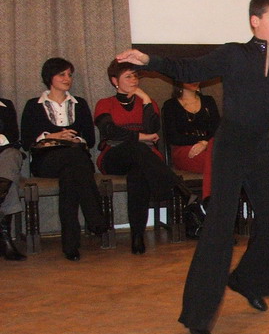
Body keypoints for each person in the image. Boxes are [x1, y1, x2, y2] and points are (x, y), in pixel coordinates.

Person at [115, 0, 269, 334]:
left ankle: (247, 281)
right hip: (229, 149)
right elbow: (188, 69)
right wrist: (149, 59)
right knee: (219, 228)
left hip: (260, 149)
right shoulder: (233, 54)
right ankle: (197, 315)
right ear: (255, 21)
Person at [94, 60, 200, 255]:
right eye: (128, 76)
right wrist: (140, 137)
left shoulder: (148, 102)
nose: (134, 80)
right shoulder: (104, 104)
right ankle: (177, 187)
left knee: (139, 174)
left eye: (135, 76)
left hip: (146, 159)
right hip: (114, 157)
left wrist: (144, 100)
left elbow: (152, 128)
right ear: (114, 81)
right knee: (137, 147)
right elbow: (109, 131)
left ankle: (137, 236)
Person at [21, 58, 105, 261]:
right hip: (46, 160)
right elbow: (26, 141)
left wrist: (75, 139)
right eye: (62, 74)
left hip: (76, 159)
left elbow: (90, 140)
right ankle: (95, 216)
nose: (68, 78)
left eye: (69, 74)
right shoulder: (33, 105)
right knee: (74, 158)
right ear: (49, 77)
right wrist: (54, 136)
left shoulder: (80, 104)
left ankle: (70, 245)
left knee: (70, 175)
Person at [161, 81, 220, 204]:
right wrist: (199, 142)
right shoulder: (170, 105)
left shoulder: (209, 101)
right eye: (189, 78)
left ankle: (215, 203)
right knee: (215, 161)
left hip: (210, 146)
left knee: (223, 158)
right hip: (184, 149)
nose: (194, 81)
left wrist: (205, 143)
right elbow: (173, 137)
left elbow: (218, 130)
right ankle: (210, 202)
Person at [0, 95, 25, 261]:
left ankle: (4, 237)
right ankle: (5, 238)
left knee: (12, 156)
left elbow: (13, 136)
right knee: (10, 181)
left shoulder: (5, 105)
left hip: (3, 154)